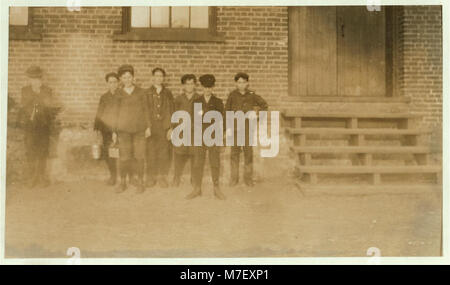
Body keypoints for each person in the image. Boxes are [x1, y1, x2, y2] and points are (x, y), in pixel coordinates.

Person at [18, 66, 61, 188]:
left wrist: (40, 96)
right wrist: (35, 96)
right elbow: (24, 105)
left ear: (41, 79)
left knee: (42, 151)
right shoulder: (25, 90)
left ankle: (41, 177)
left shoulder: (47, 90)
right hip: (30, 126)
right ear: (29, 79)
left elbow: (48, 106)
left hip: (43, 126)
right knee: (30, 151)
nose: (35, 81)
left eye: (38, 79)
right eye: (33, 79)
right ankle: (32, 178)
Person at [112, 64, 151, 194]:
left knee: (140, 156)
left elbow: (146, 110)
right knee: (124, 157)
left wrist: (148, 127)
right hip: (123, 131)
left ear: (133, 78)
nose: (127, 80)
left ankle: (140, 181)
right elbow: (115, 113)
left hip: (139, 130)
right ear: (121, 79)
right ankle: (123, 182)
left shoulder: (141, 92)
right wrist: (114, 131)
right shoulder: (118, 93)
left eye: (129, 77)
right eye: (124, 77)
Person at [225, 72, 268, 187]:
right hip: (235, 129)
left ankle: (248, 179)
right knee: (234, 154)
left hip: (248, 129)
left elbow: (264, 105)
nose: (241, 84)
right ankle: (234, 179)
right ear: (236, 84)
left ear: (247, 83)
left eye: (244, 82)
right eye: (239, 82)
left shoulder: (252, 95)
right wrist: (227, 128)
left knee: (248, 154)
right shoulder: (232, 95)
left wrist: (257, 115)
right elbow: (227, 112)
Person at [187, 74, 226, 200]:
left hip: (214, 136)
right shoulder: (197, 101)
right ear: (202, 88)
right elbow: (193, 119)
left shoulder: (218, 102)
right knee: (198, 162)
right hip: (200, 136)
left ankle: (216, 188)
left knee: (215, 162)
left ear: (213, 88)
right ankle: (197, 188)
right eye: (205, 87)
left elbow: (223, 120)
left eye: (210, 87)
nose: (207, 90)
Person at [146, 67, 174, 188]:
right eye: (156, 76)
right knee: (151, 152)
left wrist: (170, 128)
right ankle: (151, 176)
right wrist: (147, 126)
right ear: (152, 78)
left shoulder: (168, 93)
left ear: (163, 78)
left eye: (160, 76)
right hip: (152, 127)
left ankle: (162, 176)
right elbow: (145, 110)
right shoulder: (147, 93)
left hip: (164, 126)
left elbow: (171, 110)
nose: (158, 78)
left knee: (164, 153)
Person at [171, 74, 200, 187]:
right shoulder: (179, 99)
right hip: (181, 131)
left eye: (191, 83)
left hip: (194, 131)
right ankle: (177, 177)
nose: (189, 86)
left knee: (194, 154)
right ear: (183, 85)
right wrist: (174, 129)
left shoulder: (199, 98)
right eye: (187, 84)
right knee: (179, 154)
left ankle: (194, 177)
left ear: (194, 85)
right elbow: (174, 114)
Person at [94, 72, 120, 186]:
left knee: (123, 152)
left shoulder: (122, 95)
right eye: (110, 82)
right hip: (107, 130)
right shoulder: (104, 97)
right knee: (109, 153)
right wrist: (97, 128)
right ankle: (113, 176)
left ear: (118, 83)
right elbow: (100, 113)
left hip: (121, 129)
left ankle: (125, 176)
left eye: (115, 82)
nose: (113, 84)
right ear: (107, 84)